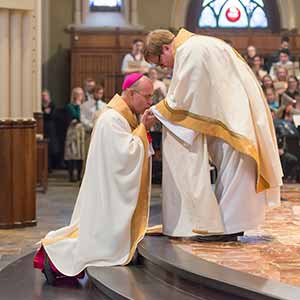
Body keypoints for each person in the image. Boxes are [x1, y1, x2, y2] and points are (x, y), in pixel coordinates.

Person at [144, 28, 283, 240]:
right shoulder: (199, 44)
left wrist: (157, 111)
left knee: (236, 170)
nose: (165, 68)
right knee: (232, 171)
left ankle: (229, 227)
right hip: (229, 113)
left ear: (165, 48)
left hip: (233, 118)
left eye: (162, 62)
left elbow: (183, 98)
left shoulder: (190, 50)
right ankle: (228, 225)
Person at [33, 73, 156, 284]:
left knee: (99, 237)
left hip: (108, 189)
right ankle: (54, 255)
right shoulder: (112, 119)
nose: (150, 102)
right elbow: (125, 155)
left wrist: (142, 128)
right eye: (146, 96)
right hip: (106, 192)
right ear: (130, 93)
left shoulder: (121, 117)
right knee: (96, 242)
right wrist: (143, 128)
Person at [64, 87, 85, 182]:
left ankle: (80, 175)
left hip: (81, 129)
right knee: (72, 152)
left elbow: (83, 117)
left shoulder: (84, 105)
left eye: (80, 93)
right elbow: (72, 116)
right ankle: (71, 175)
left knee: (81, 152)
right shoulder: (69, 106)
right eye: (77, 93)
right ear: (74, 95)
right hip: (72, 130)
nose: (79, 95)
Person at [42, 89, 59, 171]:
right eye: (43, 96)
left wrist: (47, 113)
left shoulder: (52, 105)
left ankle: (50, 166)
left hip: (51, 128)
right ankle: (45, 166)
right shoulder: (41, 106)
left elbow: (53, 116)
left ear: (48, 96)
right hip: (43, 127)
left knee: (51, 148)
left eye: (45, 95)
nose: (44, 97)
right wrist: (45, 113)